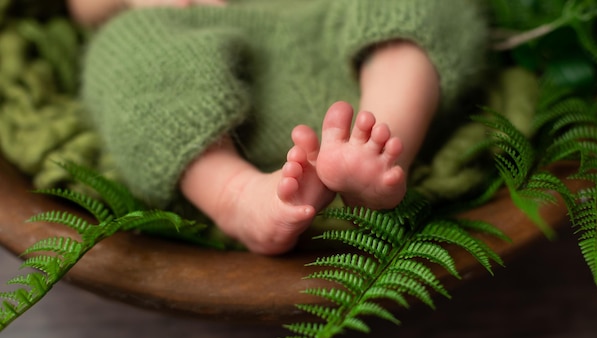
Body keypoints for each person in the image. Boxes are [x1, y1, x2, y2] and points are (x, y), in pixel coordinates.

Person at [68, 0, 488, 255]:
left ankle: (376, 153)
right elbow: (86, 10)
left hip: (346, 38)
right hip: (208, 62)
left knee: (422, 10)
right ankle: (236, 194)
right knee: (123, 45)